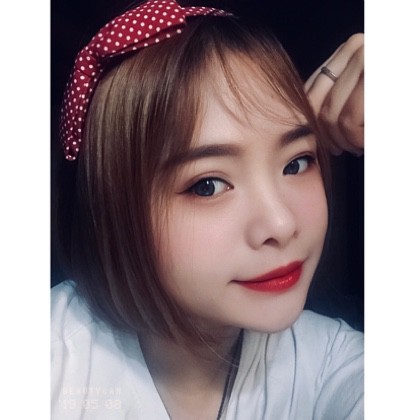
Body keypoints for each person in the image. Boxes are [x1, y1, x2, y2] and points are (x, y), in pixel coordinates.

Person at [51, 0, 364, 418]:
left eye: (296, 163)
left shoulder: (330, 363)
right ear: (110, 211)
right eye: (208, 186)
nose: (281, 223)